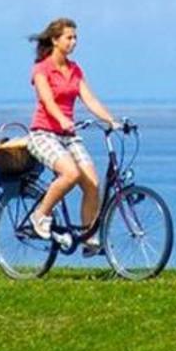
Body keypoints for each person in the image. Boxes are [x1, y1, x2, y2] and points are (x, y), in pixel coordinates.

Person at [24, 17, 121, 250]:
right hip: (43, 134)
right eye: (69, 37)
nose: (73, 42)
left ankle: (88, 237)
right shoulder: (42, 69)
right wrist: (62, 119)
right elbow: (47, 101)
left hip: (68, 135)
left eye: (75, 38)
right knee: (70, 174)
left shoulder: (75, 70)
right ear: (55, 40)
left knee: (92, 183)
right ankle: (39, 216)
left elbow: (90, 100)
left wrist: (112, 120)